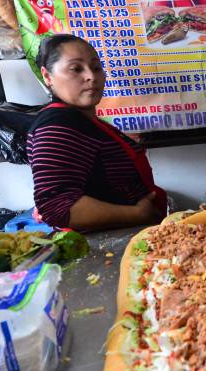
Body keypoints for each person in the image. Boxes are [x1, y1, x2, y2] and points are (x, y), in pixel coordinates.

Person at [27, 34, 167, 231]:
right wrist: (136, 215)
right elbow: (56, 207)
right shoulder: (58, 124)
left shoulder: (82, 119)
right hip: (102, 246)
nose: (91, 76)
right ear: (48, 76)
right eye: (76, 69)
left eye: (96, 67)